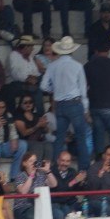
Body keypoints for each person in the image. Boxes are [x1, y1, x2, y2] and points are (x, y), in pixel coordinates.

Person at [40, 36, 92, 170]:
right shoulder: (78, 66)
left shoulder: (52, 65)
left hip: (59, 104)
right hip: (75, 104)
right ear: (72, 51)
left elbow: (44, 86)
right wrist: (85, 110)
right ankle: (84, 169)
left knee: (60, 138)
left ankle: (56, 169)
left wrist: (55, 90)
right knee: (81, 138)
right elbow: (83, 90)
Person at [85, 40, 110, 155]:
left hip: (95, 105)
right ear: (108, 51)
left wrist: (86, 108)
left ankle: (99, 159)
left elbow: (84, 87)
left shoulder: (88, 66)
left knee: (98, 134)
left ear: (96, 51)